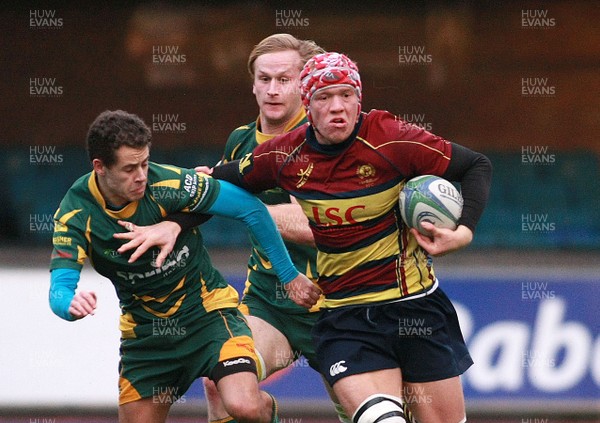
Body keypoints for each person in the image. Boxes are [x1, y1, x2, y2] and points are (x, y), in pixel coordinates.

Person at [200, 52, 493, 423]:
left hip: (416, 307)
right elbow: (214, 184)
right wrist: (171, 219)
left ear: (359, 100)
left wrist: (463, 232)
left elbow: (475, 166)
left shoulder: (391, 138)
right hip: (347, 317)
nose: (337, 107)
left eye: (346, 95)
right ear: (307, 105)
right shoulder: (285, 153)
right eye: (324, 98)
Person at [115, 34, 355, 423]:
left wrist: (242, 207)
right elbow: (211, 192)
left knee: (366, 412)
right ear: (253, 84)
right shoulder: (241, 141)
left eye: (285, 80)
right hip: (271, 305)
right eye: (265, 79)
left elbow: (316, 225)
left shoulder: (328, 142)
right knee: (223, 380)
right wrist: (173, 225)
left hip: (339, 306)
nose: (273, 90)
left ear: (305, 84)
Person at [48, 109, 319, 423]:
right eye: (129, 168)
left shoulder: (169, 183)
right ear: (100, 167)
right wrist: (70, 304)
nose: (141, 176)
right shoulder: (75, 214)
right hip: (147, 338)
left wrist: (288, 275)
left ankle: (266, 409)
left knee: (244, 405)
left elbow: (251, 210)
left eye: (145, 163)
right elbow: (60, 288)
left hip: (208, 317)